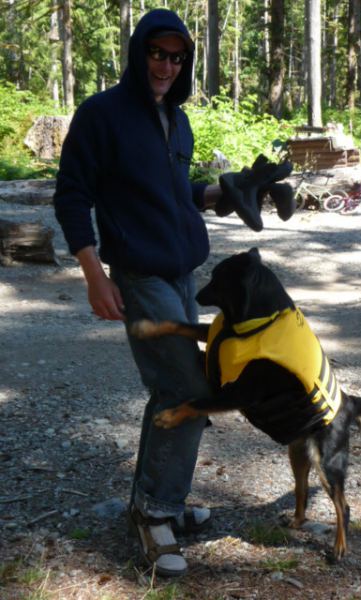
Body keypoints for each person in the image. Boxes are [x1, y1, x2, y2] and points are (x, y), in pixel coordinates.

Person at [54, 8, 225, 578]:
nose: (166, 66)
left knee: (178, 390)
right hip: (139, 275)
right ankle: (155, 515)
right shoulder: (102, 114)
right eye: (158, 53)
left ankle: (158, 503)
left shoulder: (177, 119)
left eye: (177, 58)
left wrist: (220, 193)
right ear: (139, 53)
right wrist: (93, 272)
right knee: (185, 389)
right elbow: (71, 196)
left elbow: (175, 194)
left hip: (181, 276)